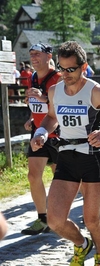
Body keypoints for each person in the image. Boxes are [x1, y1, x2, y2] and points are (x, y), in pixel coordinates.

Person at [30, 41, 100, 266]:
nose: (65, 74)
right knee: (55, 220)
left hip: (91, 158)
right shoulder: (55, 90)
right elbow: (52, 117)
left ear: (83, 67)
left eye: (71, 69)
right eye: (62, 68)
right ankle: (82, 245)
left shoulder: (96, 91)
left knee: (92, 220)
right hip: (66, 157)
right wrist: (42, 132)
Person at [21, 43, 62, 236]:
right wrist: (31, 116)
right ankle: (43, 218)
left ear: (48, 56)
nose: (33, 58)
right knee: (33, 175)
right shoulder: (33, 77)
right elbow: (38, 103)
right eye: (31, 55)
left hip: (58, 134)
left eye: (37, 54)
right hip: (38, 132)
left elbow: (60, 103)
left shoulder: (58, 78)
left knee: (60, 178)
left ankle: (60, 216)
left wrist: (43, 97)